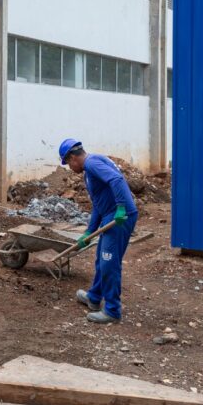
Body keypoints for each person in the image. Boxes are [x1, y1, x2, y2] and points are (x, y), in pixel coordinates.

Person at [58, 138, 138, 324]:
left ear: (72, 157)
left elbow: (117, 179)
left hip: (119, 217)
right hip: (110, 215)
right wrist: (89, 231)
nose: (70, 168)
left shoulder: (91, 164)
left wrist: (121, 207)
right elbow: (98, 204)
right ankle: (94, 297)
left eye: (67, 163)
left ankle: (112, 311)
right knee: (101, 260)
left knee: (109, 263)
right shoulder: (91, 168)